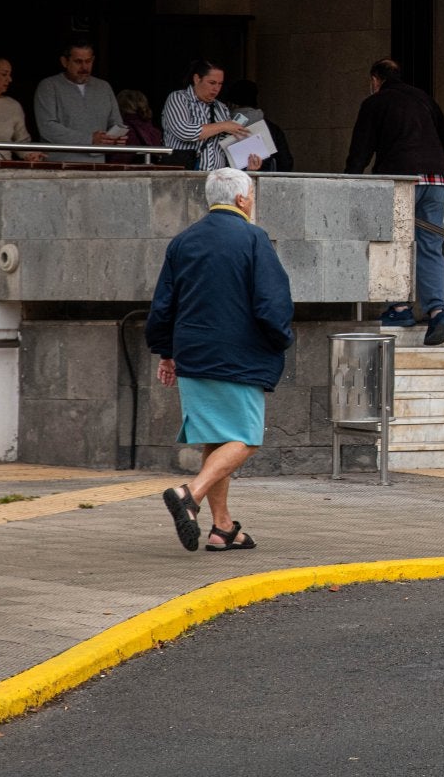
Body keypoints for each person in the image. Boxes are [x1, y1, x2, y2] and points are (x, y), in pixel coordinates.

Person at [147, 168, 293, 553]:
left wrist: (166, 352)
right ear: (242, 199)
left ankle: (222, 528)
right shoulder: (253, 238)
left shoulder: (183, 241)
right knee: (246, 438)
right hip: (238, 356)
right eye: (252, 195)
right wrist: (281, 339)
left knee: (217, 437)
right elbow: (272, 303)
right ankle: (189, 494)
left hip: (192, 355)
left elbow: (163, 305)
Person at [345, 58, 444, 346]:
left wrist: (349, 181)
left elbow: (360, 150)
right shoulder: (423, 98)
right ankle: (437, 312)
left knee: (392, 242)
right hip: (436, 181)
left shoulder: (375, 103)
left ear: (375, 80)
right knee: (430, 246)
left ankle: (399, 308)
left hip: (400, 179)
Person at [33, 37, 127, 163]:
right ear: (64, 62)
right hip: (59, 164)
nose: (84, 67)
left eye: (88, 61)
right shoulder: (49, 86)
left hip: (97, 164)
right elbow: (47, 127)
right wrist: (89, 139)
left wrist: (117, 138)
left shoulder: (104, 87)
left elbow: (116, 122)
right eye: (78, 62)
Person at [161, 59, 254, 172]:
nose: (216, 89)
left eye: (220, 84)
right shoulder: (178, 98)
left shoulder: (221, 108)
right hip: (185, 174)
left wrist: (248, 163)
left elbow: (227, 144)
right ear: (197, 79)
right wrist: (223, 126)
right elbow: (184, 131)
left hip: (216, 175)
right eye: (212, 83)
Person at [223, 79, 295, 173]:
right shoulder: (272, 129)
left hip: (230, 178)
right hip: (264, 179)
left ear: (231, 104)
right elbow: (286, 163)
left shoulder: (222, 127)